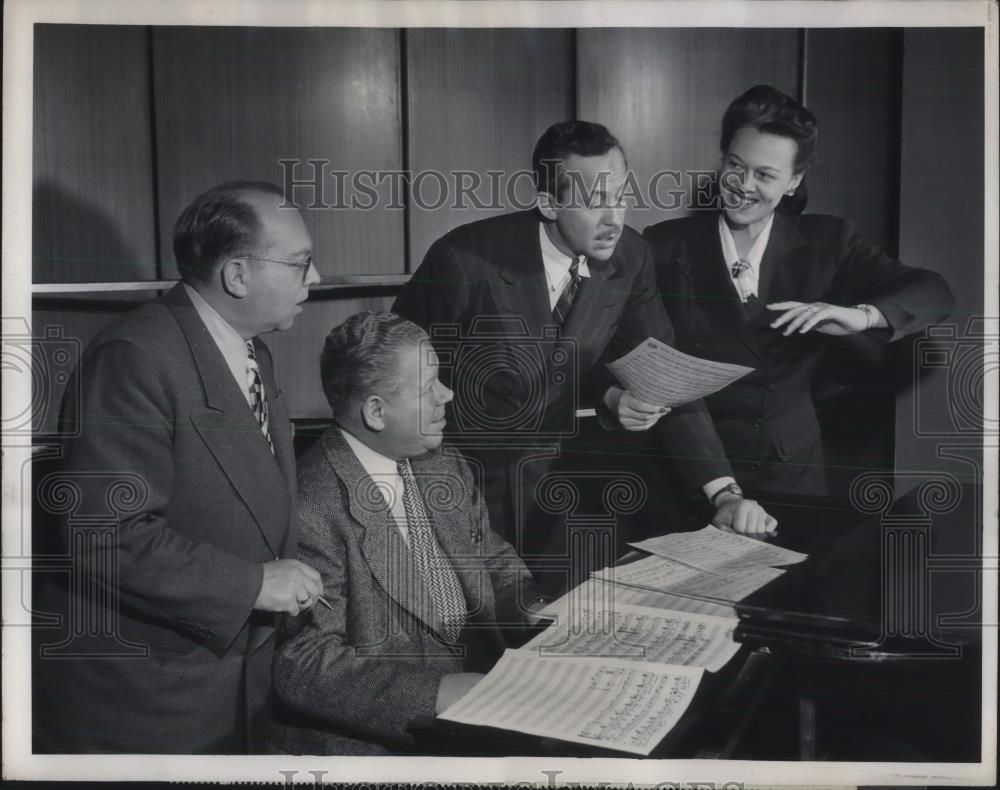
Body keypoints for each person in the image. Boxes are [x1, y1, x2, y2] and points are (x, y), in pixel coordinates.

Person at [393, 120, 776, 564]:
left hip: (558, 490)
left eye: (621, 196)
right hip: (460, 483)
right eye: (594, 201)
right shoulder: (462, 259)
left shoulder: (631, 256)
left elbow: (667, 375)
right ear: (548, 203)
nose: (614, 219)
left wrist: (724, 494)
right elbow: (392, 370)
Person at [33, 181, 324, 753]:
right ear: (237, 276)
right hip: (149, 694)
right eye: (300, 264)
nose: (315, 280)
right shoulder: (134, 357)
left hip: (224, 677)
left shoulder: (249, 349)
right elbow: (104, 534)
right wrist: (253, 582)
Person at [644, 84, 955, 496]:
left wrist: (861, 316)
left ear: (793, 181)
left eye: (766, 175)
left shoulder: (830, 241)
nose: (744, 185)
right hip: (692, 474)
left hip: (791, 474)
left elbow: (934, 293)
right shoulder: (663, 245)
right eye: (735, 165)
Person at [268, 312, 544, 755]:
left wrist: (537, 611)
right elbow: (305, 663)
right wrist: (437, 693)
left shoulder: (443, 462)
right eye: (427, 388)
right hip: (391, 741)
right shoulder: (310, 505)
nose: (448, 395)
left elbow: (493, 560)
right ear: (376, 412)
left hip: (494, 699)